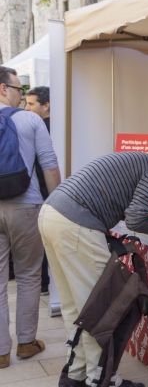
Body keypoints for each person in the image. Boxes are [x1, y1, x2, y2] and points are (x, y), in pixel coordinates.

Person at [37, 152, 148, 387]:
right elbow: (136, 219)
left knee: (77, 308)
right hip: (76, 222)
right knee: (102, 309)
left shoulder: (147, 164)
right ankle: (102, 379)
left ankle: (76, 375)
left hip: (51, 214)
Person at [0, 67, 60, 369]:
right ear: (2, 89)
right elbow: (49, 164)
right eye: (18, 89)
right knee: (28, 274)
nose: (21, 96)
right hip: (26, 204)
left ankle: (0, 351)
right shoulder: (31, 119)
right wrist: (58, 205)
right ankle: (26, 342)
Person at [25, 86, 52, 295]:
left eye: (31, 104)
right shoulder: (33, 127)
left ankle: (44, 282)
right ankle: (44, 282)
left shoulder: (42, 129)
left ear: (46, 106)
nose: (27, 108)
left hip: (46, 191)